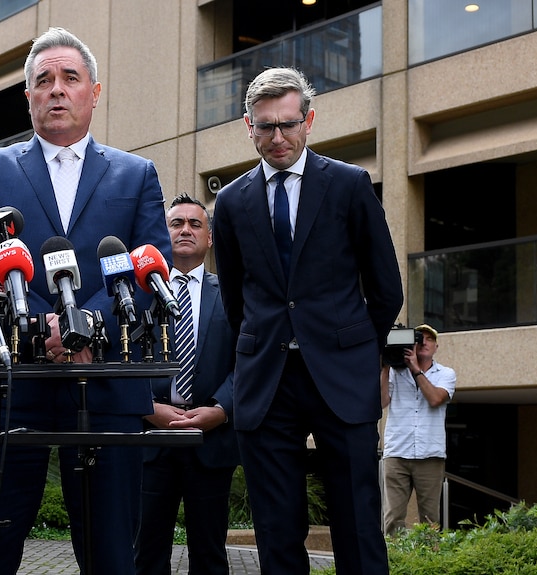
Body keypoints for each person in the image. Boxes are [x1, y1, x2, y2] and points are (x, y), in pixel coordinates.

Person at [0, 27, 172, 575]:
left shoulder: (136, 173)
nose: (56, 89)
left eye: (70, 78)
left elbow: (150, 264)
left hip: (106, 382)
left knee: (111, 553)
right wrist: (40, 323)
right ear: (27, 95)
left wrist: (84, 323)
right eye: (42, 80)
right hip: (7, 380)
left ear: (94, 91)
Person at [212, 67, 403, 575]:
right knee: (276, 531)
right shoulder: (229, 202)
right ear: (247, 127)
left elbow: (386, 287)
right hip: (266, 382)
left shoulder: (349, 184)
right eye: (266, 126)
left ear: (309, 121)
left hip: (341, 374)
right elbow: (236, 298)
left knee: (359, 527)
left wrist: (369, 356)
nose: (278, 137)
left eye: (288, 124)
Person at [135, 193, 239, 575]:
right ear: (164, 235)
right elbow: (120, 358)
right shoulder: (137, 294)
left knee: (210, 556)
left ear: (210, 238)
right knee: (145, 554)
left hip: (211, 440)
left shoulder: (233, 293)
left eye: (195, 224)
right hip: (150, 440)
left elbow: (247, 361)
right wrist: (148, 407)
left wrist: (221, 409)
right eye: (176, 223)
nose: (185, 230)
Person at [381, 323, 456, 534]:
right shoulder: (395, 372)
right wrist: (385, 366)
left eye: (429, 339)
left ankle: (428, 564)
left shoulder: (446, 374)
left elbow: (435, 399)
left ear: (436, 347)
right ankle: (394, 562)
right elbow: (380, 402)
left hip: (430, 455)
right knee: (393, 517)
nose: (424, 342)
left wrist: (415, 369)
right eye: (419, 338)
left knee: (430, 520)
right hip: (397, 453)